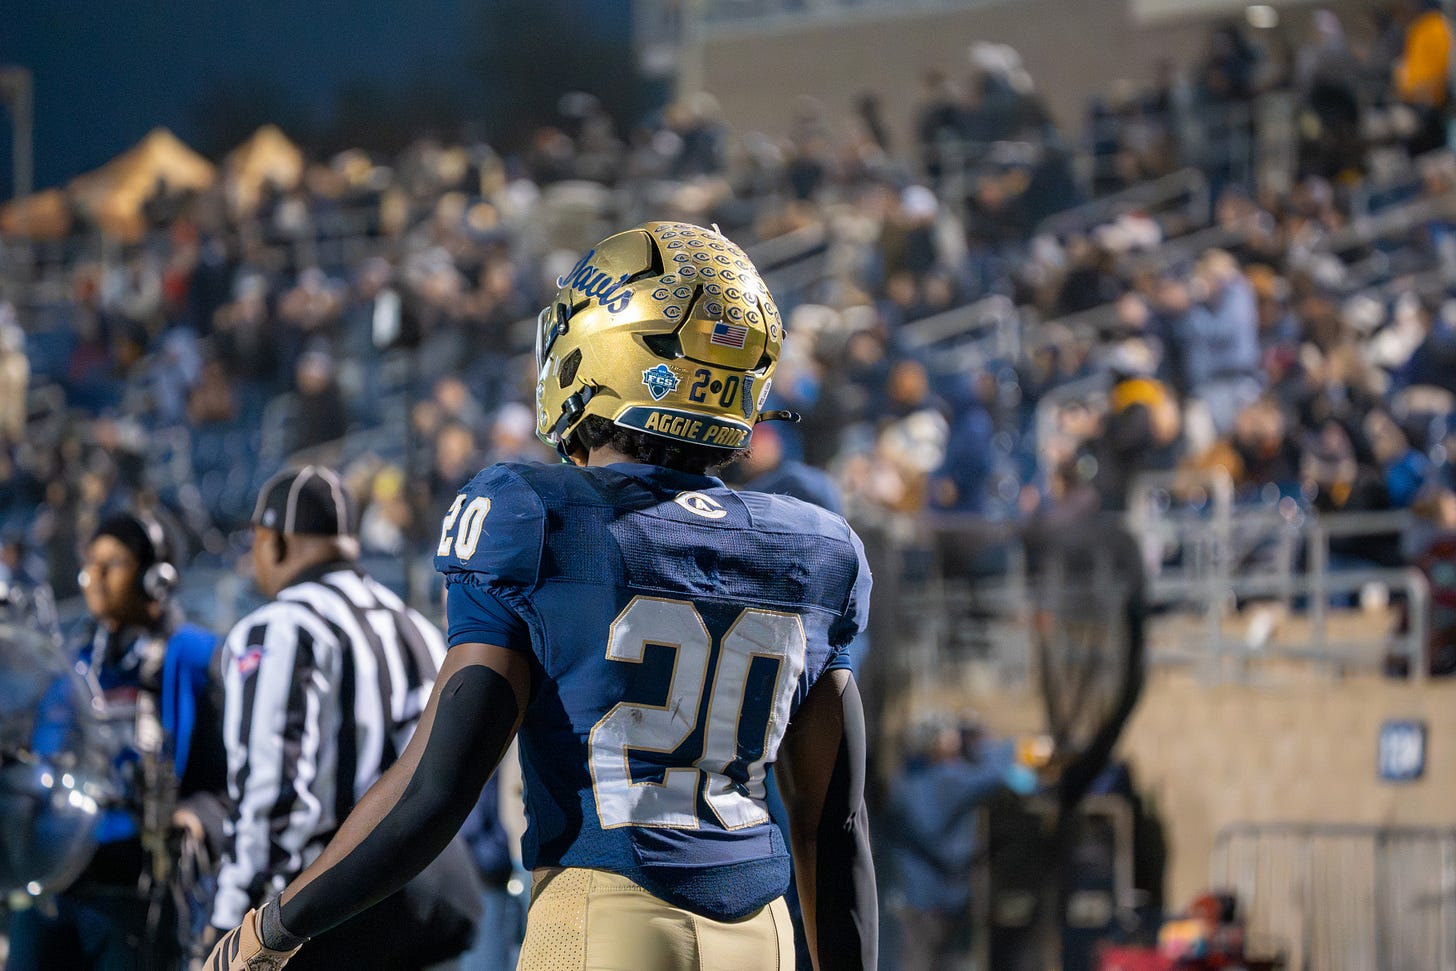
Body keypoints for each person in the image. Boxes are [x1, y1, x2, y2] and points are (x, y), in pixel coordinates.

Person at [206, 221, 878, 970]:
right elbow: (835, 826)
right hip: (762, 936)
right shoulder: (814, 547)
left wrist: (274, 927)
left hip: (607, 919)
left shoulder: (537, 514)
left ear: (602, 352)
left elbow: (436, 787)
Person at [207, 465, 481, 969]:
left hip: (338, 913)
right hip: (437, 896)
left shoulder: (280, 628)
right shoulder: (414, 625)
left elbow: (272, 795)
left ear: (274, 542)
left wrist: (230, 925)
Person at [8, 512, 226, 970]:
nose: (95, 577)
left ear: (156, 577)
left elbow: (225, 782)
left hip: (137, 889)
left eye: (114, 563)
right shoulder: (72, 660)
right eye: (91, 563)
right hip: (57, 884)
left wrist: (193, 817)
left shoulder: (197, 656)